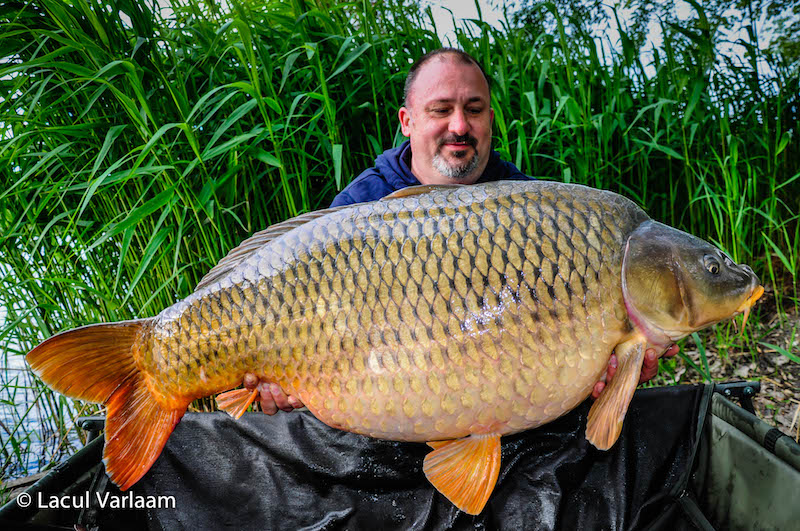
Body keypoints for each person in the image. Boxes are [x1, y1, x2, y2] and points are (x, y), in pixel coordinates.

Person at [246, 48, 679, 414]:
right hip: (385, 408)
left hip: (488, 404)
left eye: (473, 110)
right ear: (407, 121)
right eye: (441, 110)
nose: (459, 126)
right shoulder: (357, 209)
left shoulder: (532, 209)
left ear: (490, 119)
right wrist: (287, 384)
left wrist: (601, 369)